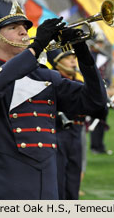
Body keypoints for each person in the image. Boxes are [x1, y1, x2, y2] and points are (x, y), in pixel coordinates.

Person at [0, 0, 107, 199]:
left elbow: (95, 103)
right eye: (13, 28)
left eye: (25, 28)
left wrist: (83, 54)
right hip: (6, 190)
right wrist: (36, 47)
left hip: (48, 190)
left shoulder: (45, 76)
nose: (23, 32)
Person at [47, 49, 85, 200]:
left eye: (73, 58)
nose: (72, 61)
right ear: (57, 62)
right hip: (57, 131)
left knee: (74, 174)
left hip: (76, 131)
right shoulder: (51, 81)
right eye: (68, 58)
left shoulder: (79, 81)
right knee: (59, 176)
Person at [88, 34, 112, 154]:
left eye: (101, 43)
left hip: (103, 91)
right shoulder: (88, 56)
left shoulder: (105, 57)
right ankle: (94, 146)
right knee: (94, 120)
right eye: (98, 42)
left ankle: (100, 146)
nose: (100, 45)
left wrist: (108, 84)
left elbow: (107, 75)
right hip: (92, 91)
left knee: (102, 119)